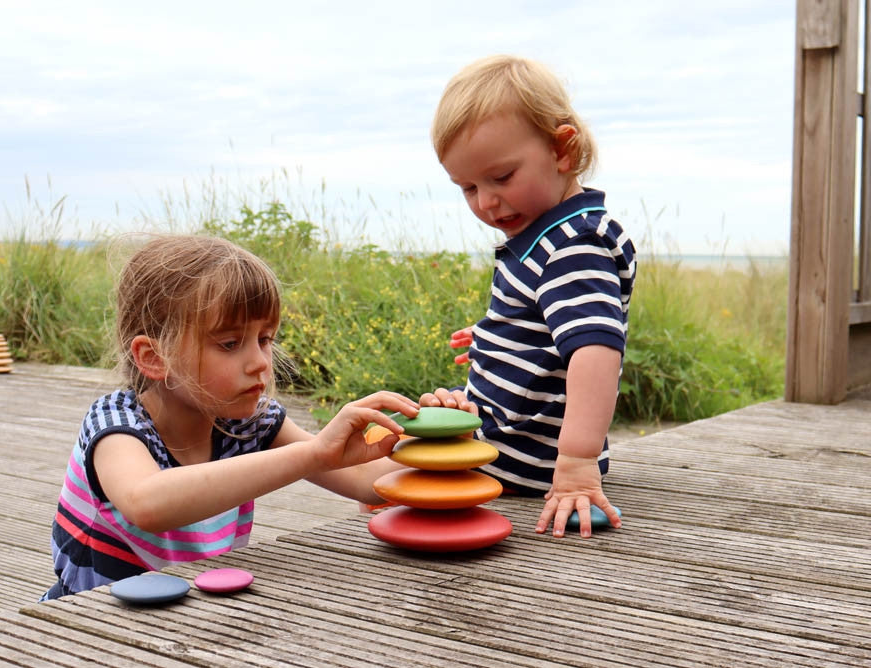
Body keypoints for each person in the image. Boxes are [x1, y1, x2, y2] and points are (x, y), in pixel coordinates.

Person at [41, 235, 417, 600]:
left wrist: (434, 435)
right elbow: (146, 503)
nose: (260, 362)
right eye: (230, 343)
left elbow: (370, 482)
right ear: (154, 358)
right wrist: (315, 453)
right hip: (89, 619)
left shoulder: (250, 423)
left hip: (197, 615)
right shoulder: (115, 424)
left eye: (265, 339)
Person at [421, 55, 636, 539]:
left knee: (380, 471)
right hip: (511, 442)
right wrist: (501, 337)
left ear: (562, 150)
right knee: (397, 444)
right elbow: (556, 325)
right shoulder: (552, 237)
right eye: (468, 187)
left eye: (501, 177)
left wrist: (576, 465)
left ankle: (285, 451)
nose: (486, 202)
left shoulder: (572, 245)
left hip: (521, 458)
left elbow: (595, 351)